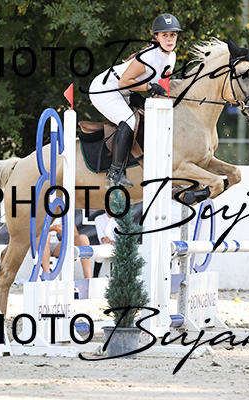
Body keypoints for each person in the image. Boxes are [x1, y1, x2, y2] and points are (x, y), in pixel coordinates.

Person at [89, 13, 182, 187]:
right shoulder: (148, 57)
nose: (170, 39)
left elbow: (163, 84)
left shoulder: (172, 56)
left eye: (173, 34)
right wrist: (149, 87)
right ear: (156, 37)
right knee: (129, 120)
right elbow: (123, 82)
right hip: (105, 88)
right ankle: (114, 172)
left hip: (125, 91)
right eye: (165, 35)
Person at [93, 211, 119, 277]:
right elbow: (100, 234)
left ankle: (114, 278)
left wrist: (116, 241)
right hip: (104, 244)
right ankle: (95, 276)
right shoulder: (99, 219)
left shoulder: (120, 219)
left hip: (116, 245)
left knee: (115, 254)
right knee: (99, 255)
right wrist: (103, 239)